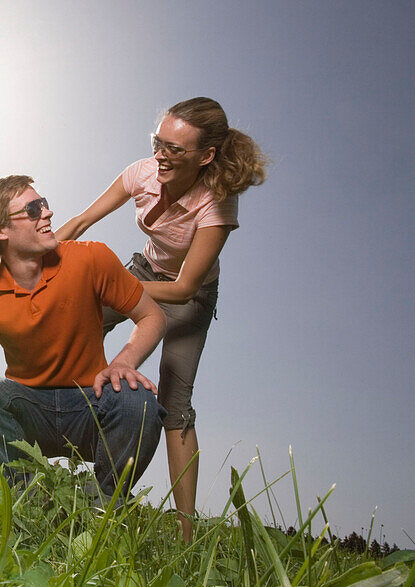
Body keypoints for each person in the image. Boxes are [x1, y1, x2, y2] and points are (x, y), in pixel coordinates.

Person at [55, 97, 268, 541]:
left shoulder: (217, 206)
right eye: (159, 142)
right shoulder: (142, 173)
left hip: (188, 299)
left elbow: (184, 288)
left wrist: (103, 283)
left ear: (205, 156)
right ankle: (61, 435)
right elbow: (80, 222)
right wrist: (36, 259)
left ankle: (186, 532)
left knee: (175, 402)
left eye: (175, 149)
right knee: (74, 323)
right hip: (145, 273)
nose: (161, 156)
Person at [0, 175, 167, 501]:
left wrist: (125, 360)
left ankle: (103, 503)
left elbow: (153, 316)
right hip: (29, 412)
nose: (48, 213)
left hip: (89, 406)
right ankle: (32, 498)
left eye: (45, 204)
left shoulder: (92, 259)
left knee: (138, 399)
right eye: (33, 209)